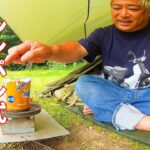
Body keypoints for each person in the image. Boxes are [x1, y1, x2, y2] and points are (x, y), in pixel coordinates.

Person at [5, 0, 150, 131]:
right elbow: (75, 49)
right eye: (117, 7)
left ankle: (111, 109)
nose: (123, 14)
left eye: (133, 8)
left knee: (101, 101)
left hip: (147, 95)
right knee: (84, 83)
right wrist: (50, 51)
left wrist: (101, 104)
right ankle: (139, 119)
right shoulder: (104, 34)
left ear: (147, 10)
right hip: (116, 92)